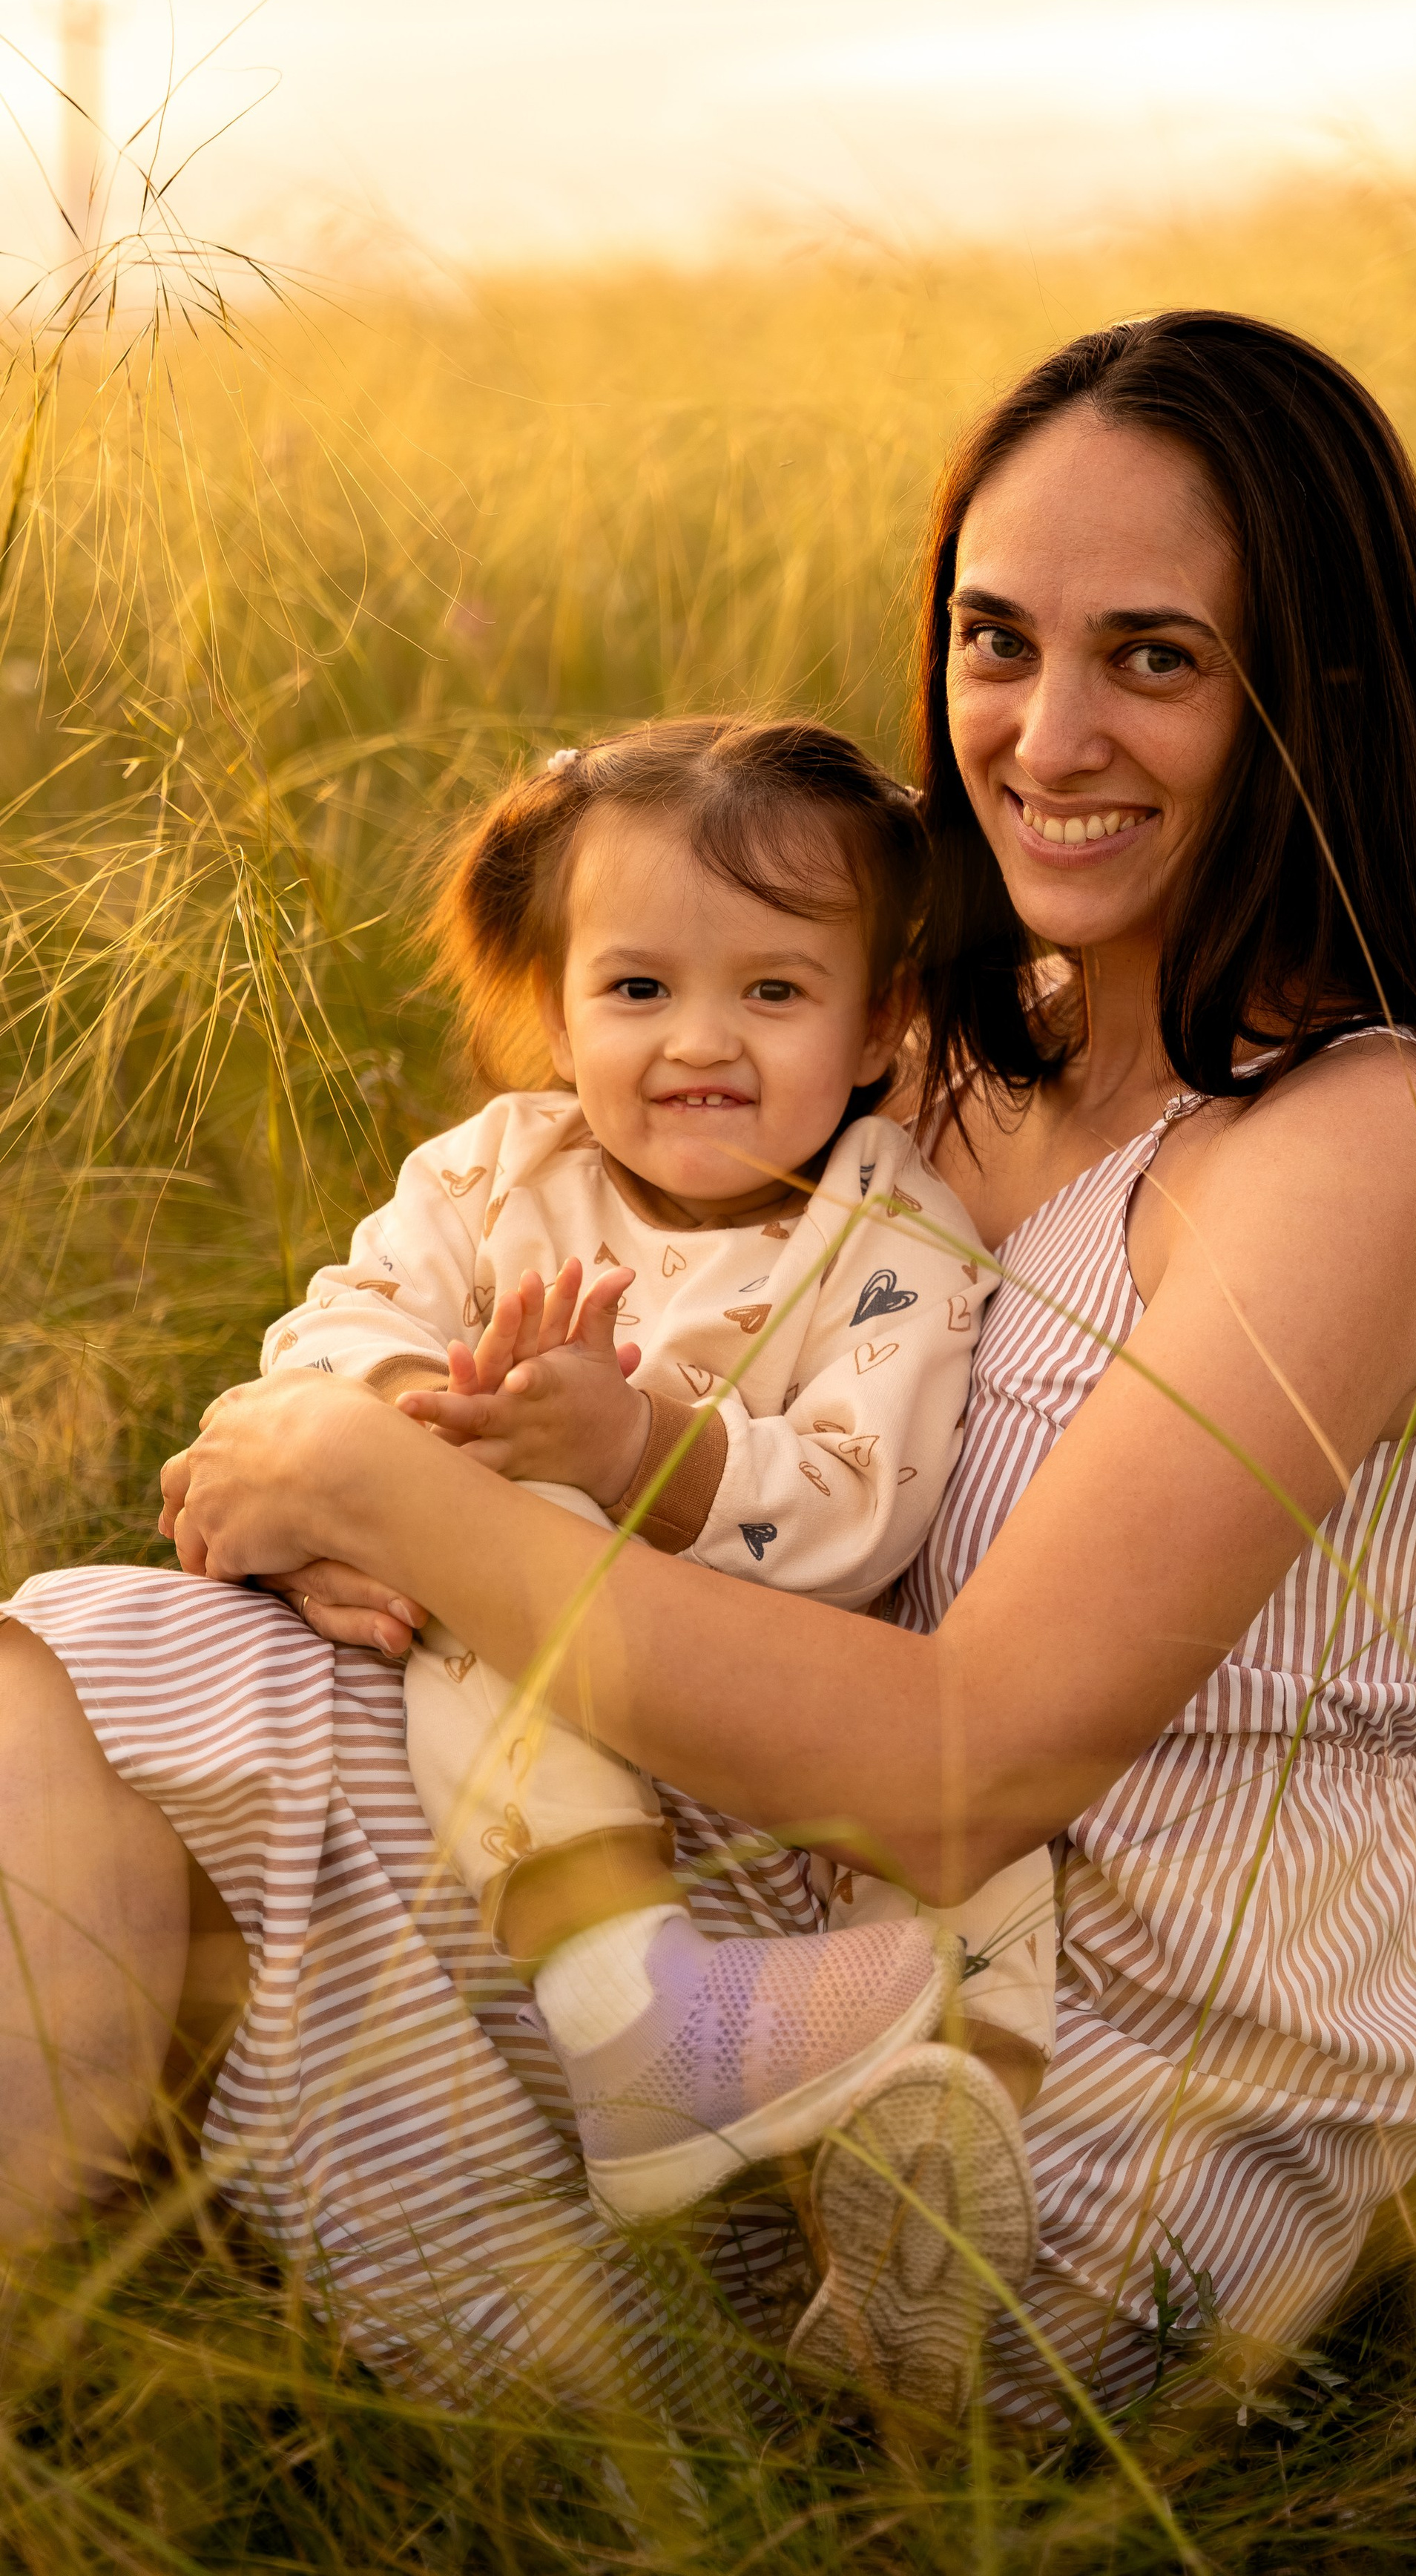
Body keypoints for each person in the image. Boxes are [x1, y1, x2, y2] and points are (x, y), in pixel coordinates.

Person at [0, 308, 1416, 2434]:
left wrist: (403, 1509)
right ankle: (83, 2380)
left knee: (131, 1749)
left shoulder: (1355, 1152)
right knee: (87, 1687)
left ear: (1312, 695)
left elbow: (966, 1763)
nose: (1043, 733)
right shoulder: (933, 1037)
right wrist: (320, 1452)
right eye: (997, 639)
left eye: (1155, 657)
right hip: (768, 1915)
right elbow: (531, 1256)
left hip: (1098, 2074)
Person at [252, 713, 1053, 2232]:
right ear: (555, 1016)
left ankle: (933, 2167)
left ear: (877, 1024)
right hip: (543, 1780)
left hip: (777, 1733)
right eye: (635, 989)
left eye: (770, 990)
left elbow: (859, 1509)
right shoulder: (492, 1177)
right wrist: (437, 1407)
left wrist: (641, 1452)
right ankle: (633, 2010)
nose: (697, 1040)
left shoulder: (897, 1235)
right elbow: (329, 1326)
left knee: (989, 1859)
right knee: (521, 1534)